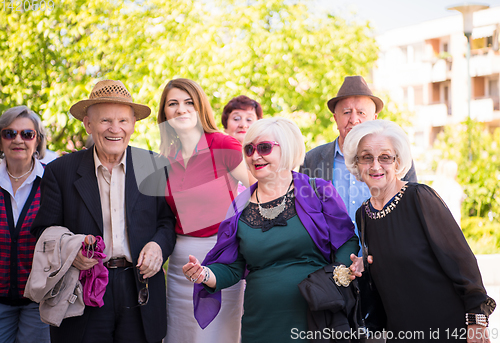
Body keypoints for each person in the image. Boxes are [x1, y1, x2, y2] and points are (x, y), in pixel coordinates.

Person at [183, 117, 360, 343]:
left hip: (317, 316)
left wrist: (335, 279)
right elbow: (233, 268)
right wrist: (205, 274)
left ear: (285, 149)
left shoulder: (318, 191)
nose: (255, 155)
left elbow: (347, 241)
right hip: (261, 323)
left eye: (264, 148)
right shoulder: (239, 207)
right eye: (249, 149)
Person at [30, 80, 177, 343]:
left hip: (139, 288)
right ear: (88, 124)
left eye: (123, 120)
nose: (115, 129)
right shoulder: (59, 171)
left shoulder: (153, 165)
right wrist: (70, 251)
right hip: (81, 291)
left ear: (133, 124)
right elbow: (44, 230)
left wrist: (158, 246)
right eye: (105, 120)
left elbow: (167, 222)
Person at [344, 120, 495, 343]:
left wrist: (476, 320)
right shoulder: (363, 214)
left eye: (385, 157)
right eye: (367, 157)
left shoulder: (419, 197)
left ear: (397, 162)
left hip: (447, 330)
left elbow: (461, 260)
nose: (376, 166)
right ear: (357, 164)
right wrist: (366, 265)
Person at [156, 78, 248, 343]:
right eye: (173, 104)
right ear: (165, 113)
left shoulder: (223, 144)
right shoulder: (165, 158)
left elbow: (258, 191)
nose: (181, 109)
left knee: (220, 335)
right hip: (179, 264)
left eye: (189, 103)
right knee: (180, 335)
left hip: (222, 258)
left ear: (200, 108)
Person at [299, 76, 417, 239]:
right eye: (346, 112)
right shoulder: (311, 160)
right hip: (329, 260)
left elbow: (410, 212)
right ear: (335, 118)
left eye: (361, 112)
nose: (354, 120)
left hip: (383, 258)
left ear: (374, 118)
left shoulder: (397, 159)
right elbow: (303, 215)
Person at [0, 106, 50, 343]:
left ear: (37, 140)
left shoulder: (52, 182)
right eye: (9, 133)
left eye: (27, 134)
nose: (17, 140)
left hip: (39, 301)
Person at [221, 95, 263, 193]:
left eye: (249, 119)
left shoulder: (268, 158)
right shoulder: (214, 157)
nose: (243, 125)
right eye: (236, 119)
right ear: (225, 127)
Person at [433, 159, 465, 225]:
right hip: (451, 224)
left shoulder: (435, 186)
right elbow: (455, 210)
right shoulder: (454, 187)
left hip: (437, 223)